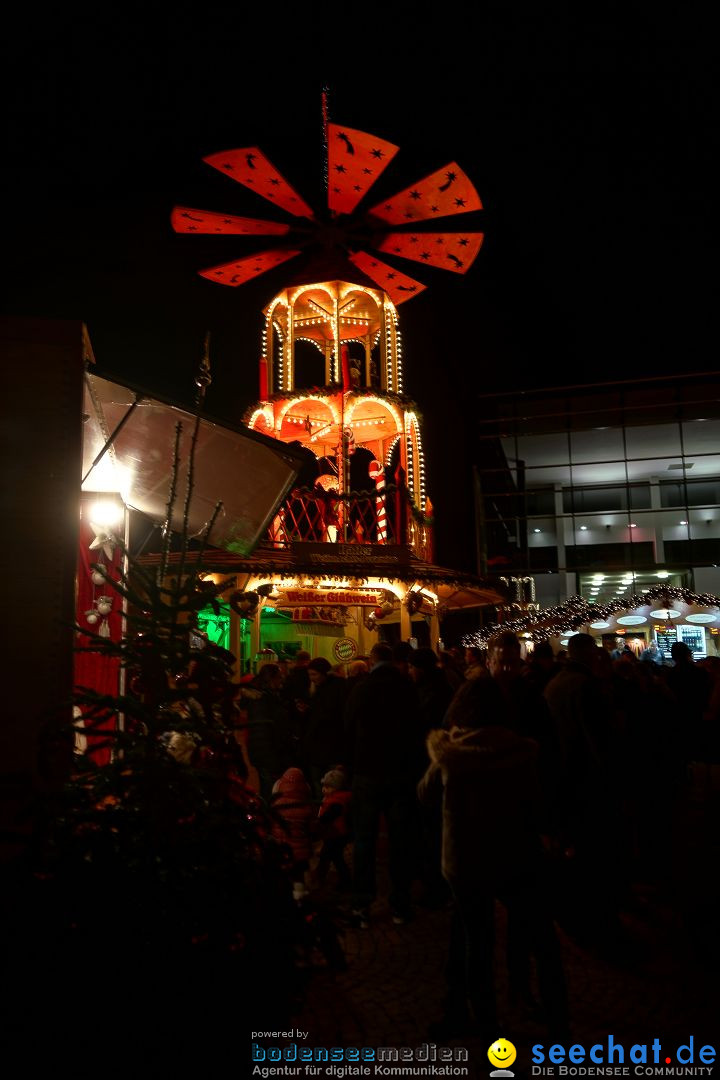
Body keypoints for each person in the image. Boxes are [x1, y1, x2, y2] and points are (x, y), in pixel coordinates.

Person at [418, 676, 568, 1042]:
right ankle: (556, 1015)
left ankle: (483, 1022)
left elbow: (424, 794)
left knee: (475, 941)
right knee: (539, 937)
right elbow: (536, 804)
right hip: (516, 854)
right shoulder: (520, 752)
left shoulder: (450, 753)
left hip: (466, 860)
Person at [344, 642, 424, 928]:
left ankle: (362, 905)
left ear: (372, 660)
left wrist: (350, 764)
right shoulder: (406, 688)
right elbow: (418, 729)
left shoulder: (362, 688)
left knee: (364, 840)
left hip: (367, 772)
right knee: (401, 841)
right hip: (400, 773)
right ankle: (400, 904)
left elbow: (349, 726)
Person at [301, 657, 350, 797]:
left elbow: (335, 714)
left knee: (333, 785)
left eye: (314, 674)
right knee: (320, 785)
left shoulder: (338, 688)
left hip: (332, 746)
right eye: (310, 675)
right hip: (318, 748)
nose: (311, 678)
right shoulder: (317, 689)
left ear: (324, 673)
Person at [271, 766, 315, 900]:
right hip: (300, 853)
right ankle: (300, 897)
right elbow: (312, 830)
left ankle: (283, 896)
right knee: (298, 876)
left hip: (281, 850)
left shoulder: (275, 805)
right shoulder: (307, 808)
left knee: (282, 874)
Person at [314, 767, 353, 892]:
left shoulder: (337, 801)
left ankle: (323, 877)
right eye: (324, 786)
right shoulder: (333, 799)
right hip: (333, 833)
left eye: (329, 787)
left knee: (329, 855)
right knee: (333, 856)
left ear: (337, 787)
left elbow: (329, 816)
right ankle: (340, 878)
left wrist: (319, 822)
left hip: (336, 834)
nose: (324, 789)